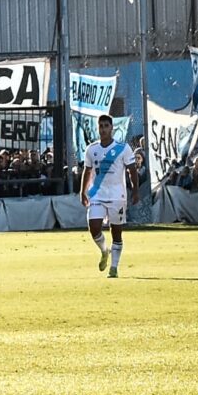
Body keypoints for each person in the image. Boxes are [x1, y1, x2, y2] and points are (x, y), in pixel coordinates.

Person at [80, 114, 137, 278]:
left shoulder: (123, 148)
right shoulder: (92, 149)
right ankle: (105, 251)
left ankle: (114, 267)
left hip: (117, 195)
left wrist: (135, 190)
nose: (103, 129)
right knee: (94, 227)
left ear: (112, 128)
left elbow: (132, 170)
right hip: (97, 194)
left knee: (116, 232)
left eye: (106, 126)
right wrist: (83, 192)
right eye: (101, 126)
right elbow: (87, 170)